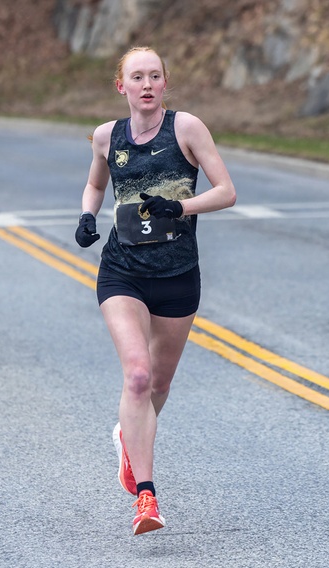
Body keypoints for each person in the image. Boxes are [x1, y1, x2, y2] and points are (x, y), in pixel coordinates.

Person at [75, 46, 236, 535]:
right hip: (122, 271)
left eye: (155, 76)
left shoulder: (186, 128)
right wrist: (86, 215)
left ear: (165, 84)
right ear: (120, 86)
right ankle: (146, 496)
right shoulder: (107, 137)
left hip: (178, 275)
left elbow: (226, 190)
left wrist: (180, 209)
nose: (147, 85)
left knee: (159, 386)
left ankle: (129, 435)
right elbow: (96, 186)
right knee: (139, 376)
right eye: (136, 77)